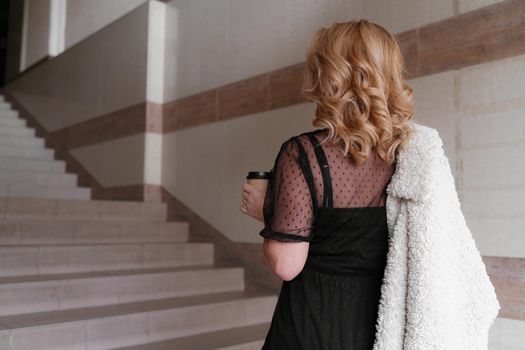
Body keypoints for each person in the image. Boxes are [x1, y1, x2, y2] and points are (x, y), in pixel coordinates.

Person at [240, 19, 498, 350]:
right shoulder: (416, 153)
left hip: (315, 325)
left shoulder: (303, 153)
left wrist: (268, 208)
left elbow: (287, 265)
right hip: (386, 327)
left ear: (327, 74)